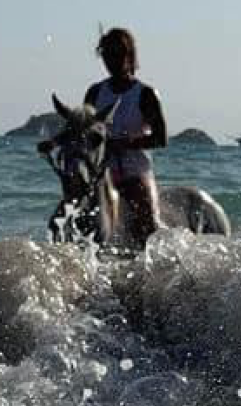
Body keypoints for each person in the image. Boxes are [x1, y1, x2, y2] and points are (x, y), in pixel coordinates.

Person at [39, 28, 167, 249]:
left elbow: (160, 139)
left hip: (135, 172)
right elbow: (80, 128)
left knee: (150, 227)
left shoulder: (145, 94)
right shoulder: (95, 92)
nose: (112, 62)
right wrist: (54, 143)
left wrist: (124, 143)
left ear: (130, 57)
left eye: (117, 55)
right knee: (60, 219)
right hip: (99, 171)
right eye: (107, 56)